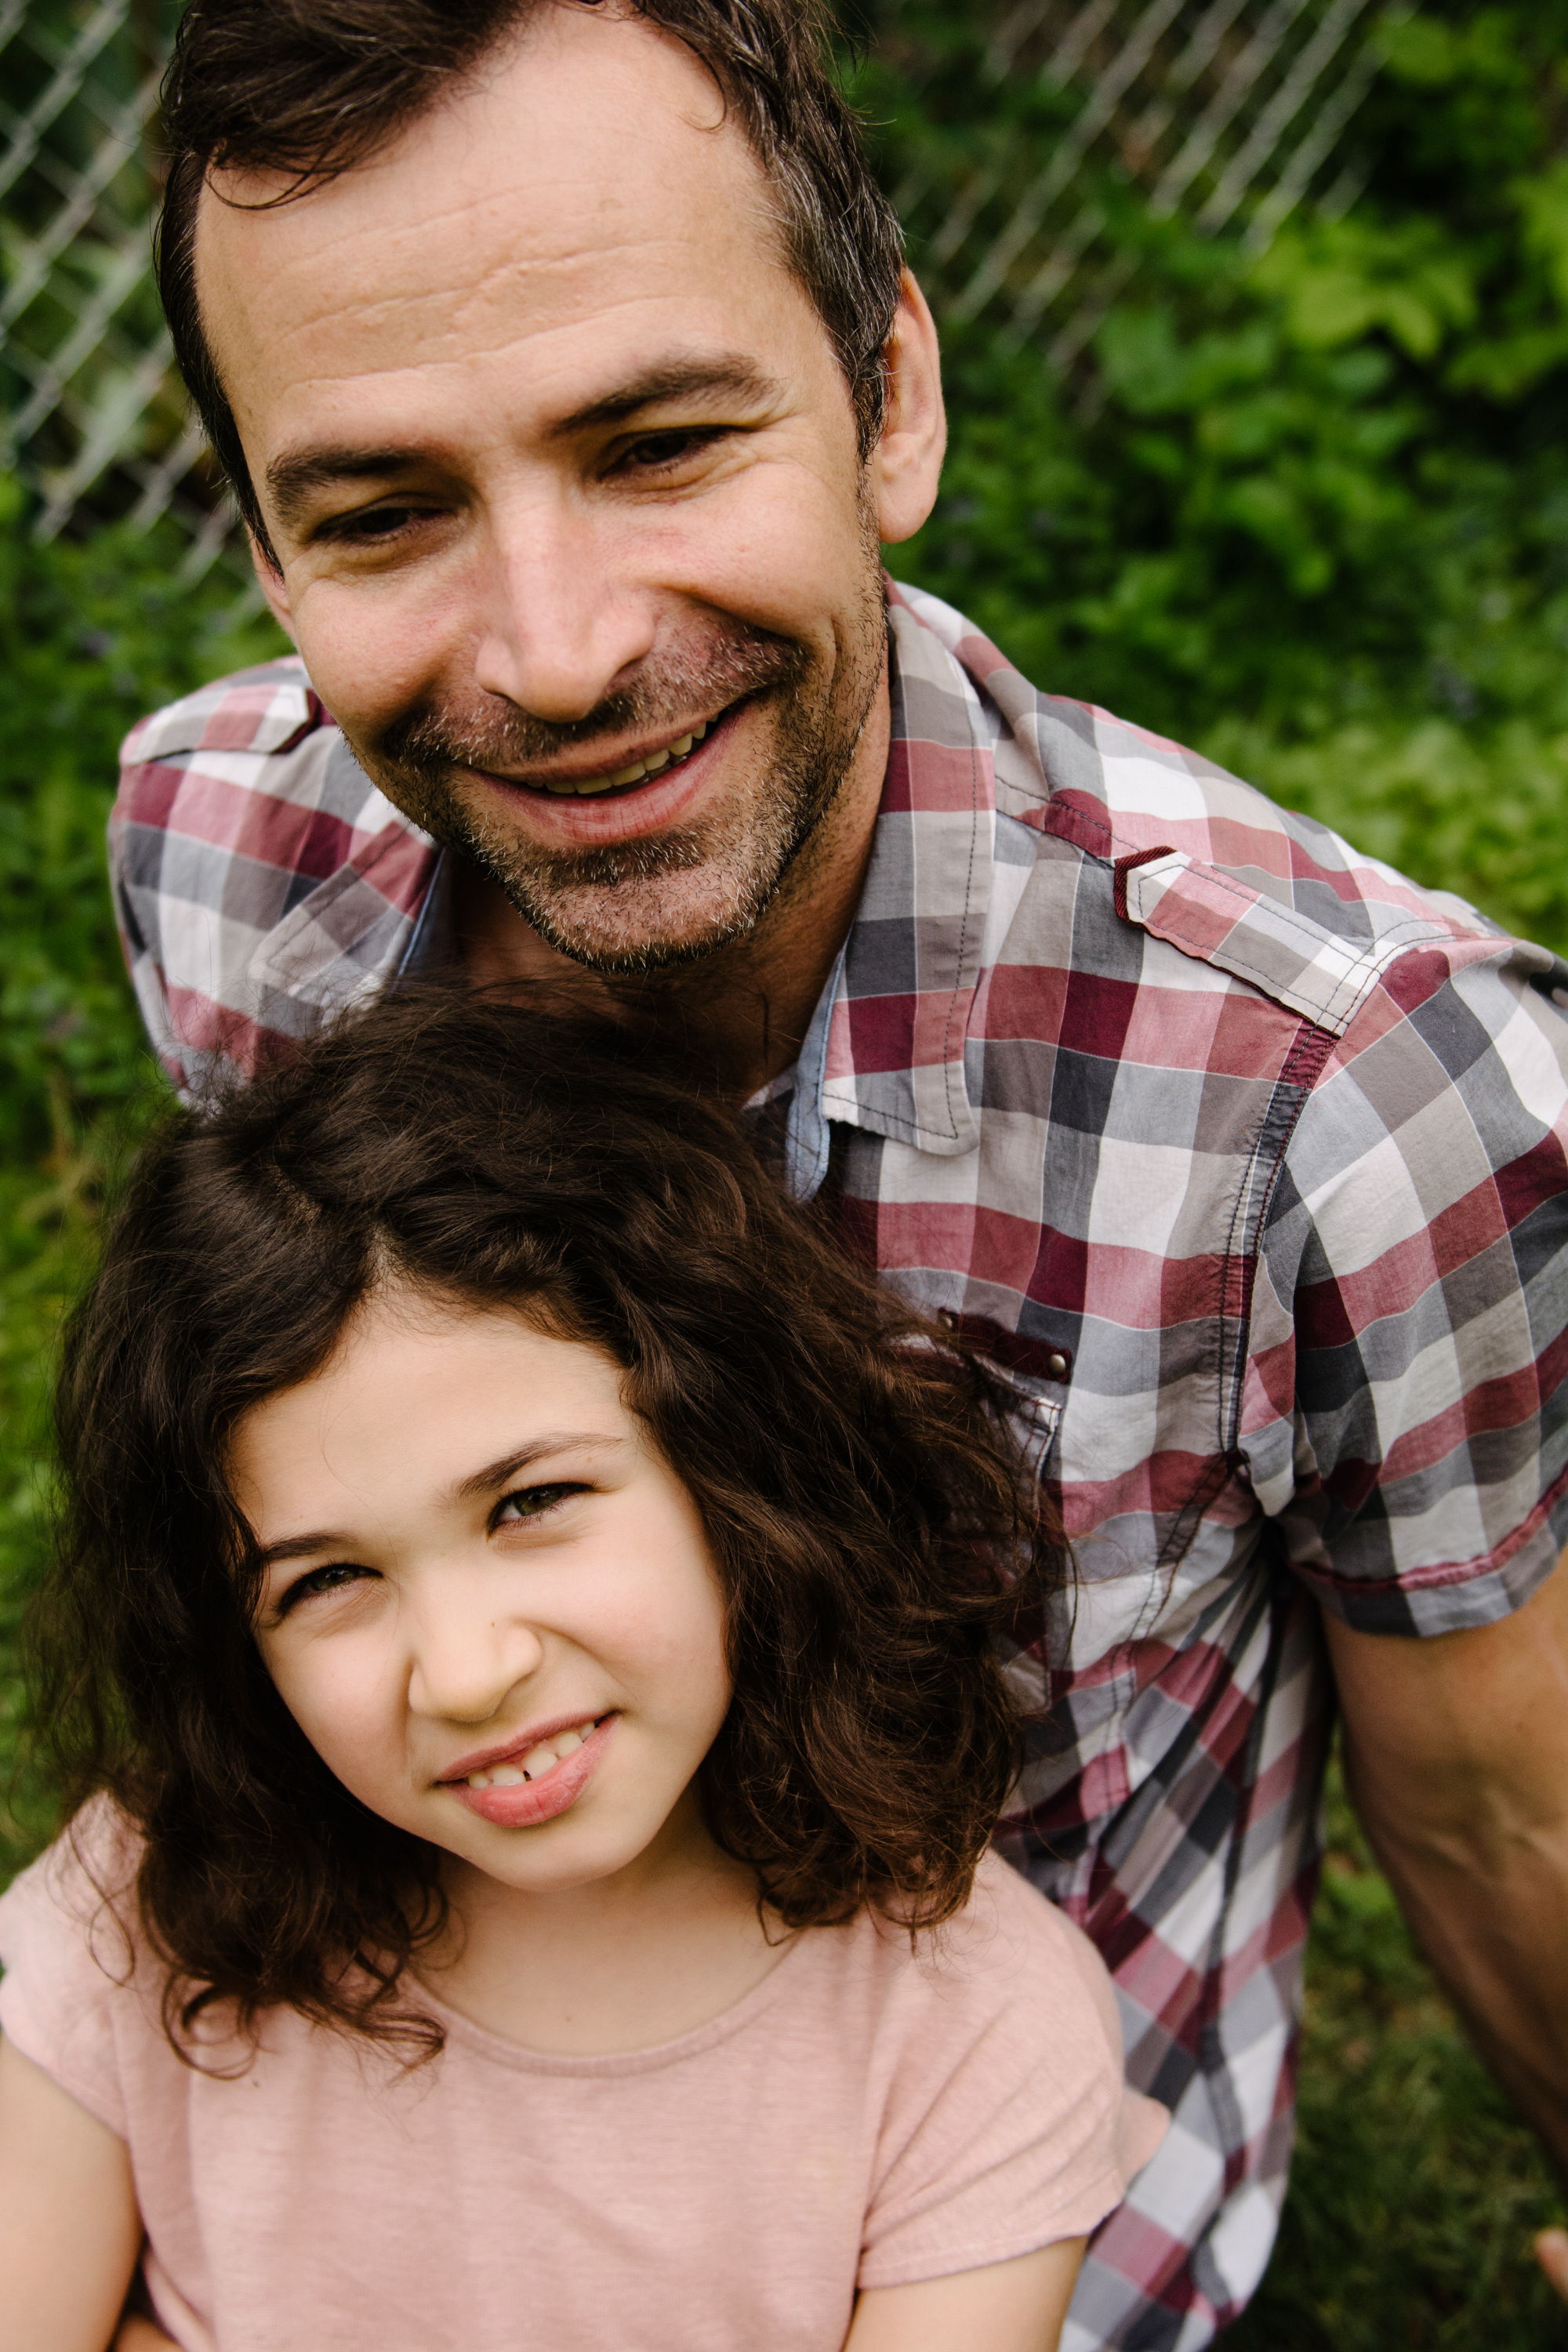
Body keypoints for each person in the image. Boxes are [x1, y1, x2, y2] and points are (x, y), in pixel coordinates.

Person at [105, 0, 1568, 2340]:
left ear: (889, 395)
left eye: (659, 441)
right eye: (383, 509)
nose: (564, 656)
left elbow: (1507, 1821)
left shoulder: (1353, 1090)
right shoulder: (215, 862)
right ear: (262, 541)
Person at [0, 988, 1167, 2352]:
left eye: (530, 1503)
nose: (468, 1673)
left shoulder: (968, 2029)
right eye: (325, 1581)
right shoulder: (143, 1909)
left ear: (735, 1465)